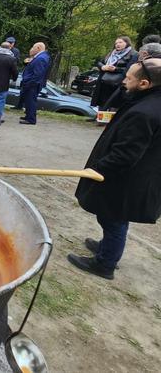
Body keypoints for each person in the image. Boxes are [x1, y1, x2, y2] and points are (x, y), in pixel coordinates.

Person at [68, 58, 161, 280]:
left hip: (128, 178)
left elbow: (125, 155)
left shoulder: (144, 113)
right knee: (113, 216)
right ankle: (107, 247)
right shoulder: (149, 101)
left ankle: (105, 263)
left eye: (128, 78)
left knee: (113, 217)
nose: (123, 81)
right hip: (138, 174)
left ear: (145, 84)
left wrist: (97, 169)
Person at [90, 36, 137, 111]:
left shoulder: (134, 54)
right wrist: (103, 67)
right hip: (104, 80)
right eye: (116, 43)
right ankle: (100, 118)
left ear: (127, 43)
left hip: (118, 82)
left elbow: (131, 69)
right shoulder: (111, 53)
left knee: (114, 103)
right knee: (102, 101)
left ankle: (110, 121)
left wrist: (116, 69)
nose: (117, 44)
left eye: (120, 42)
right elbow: (99, 62)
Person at [17, 42, 52, 125]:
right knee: (29, 101)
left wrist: (29, 84)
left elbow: (38, 75)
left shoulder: (41, 58)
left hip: (32, 85)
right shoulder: (41, 57)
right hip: (32, 83)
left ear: (38, 48)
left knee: (31, 101)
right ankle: (28, 116)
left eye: (33, 47)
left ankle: (31, 119)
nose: (31, 49)